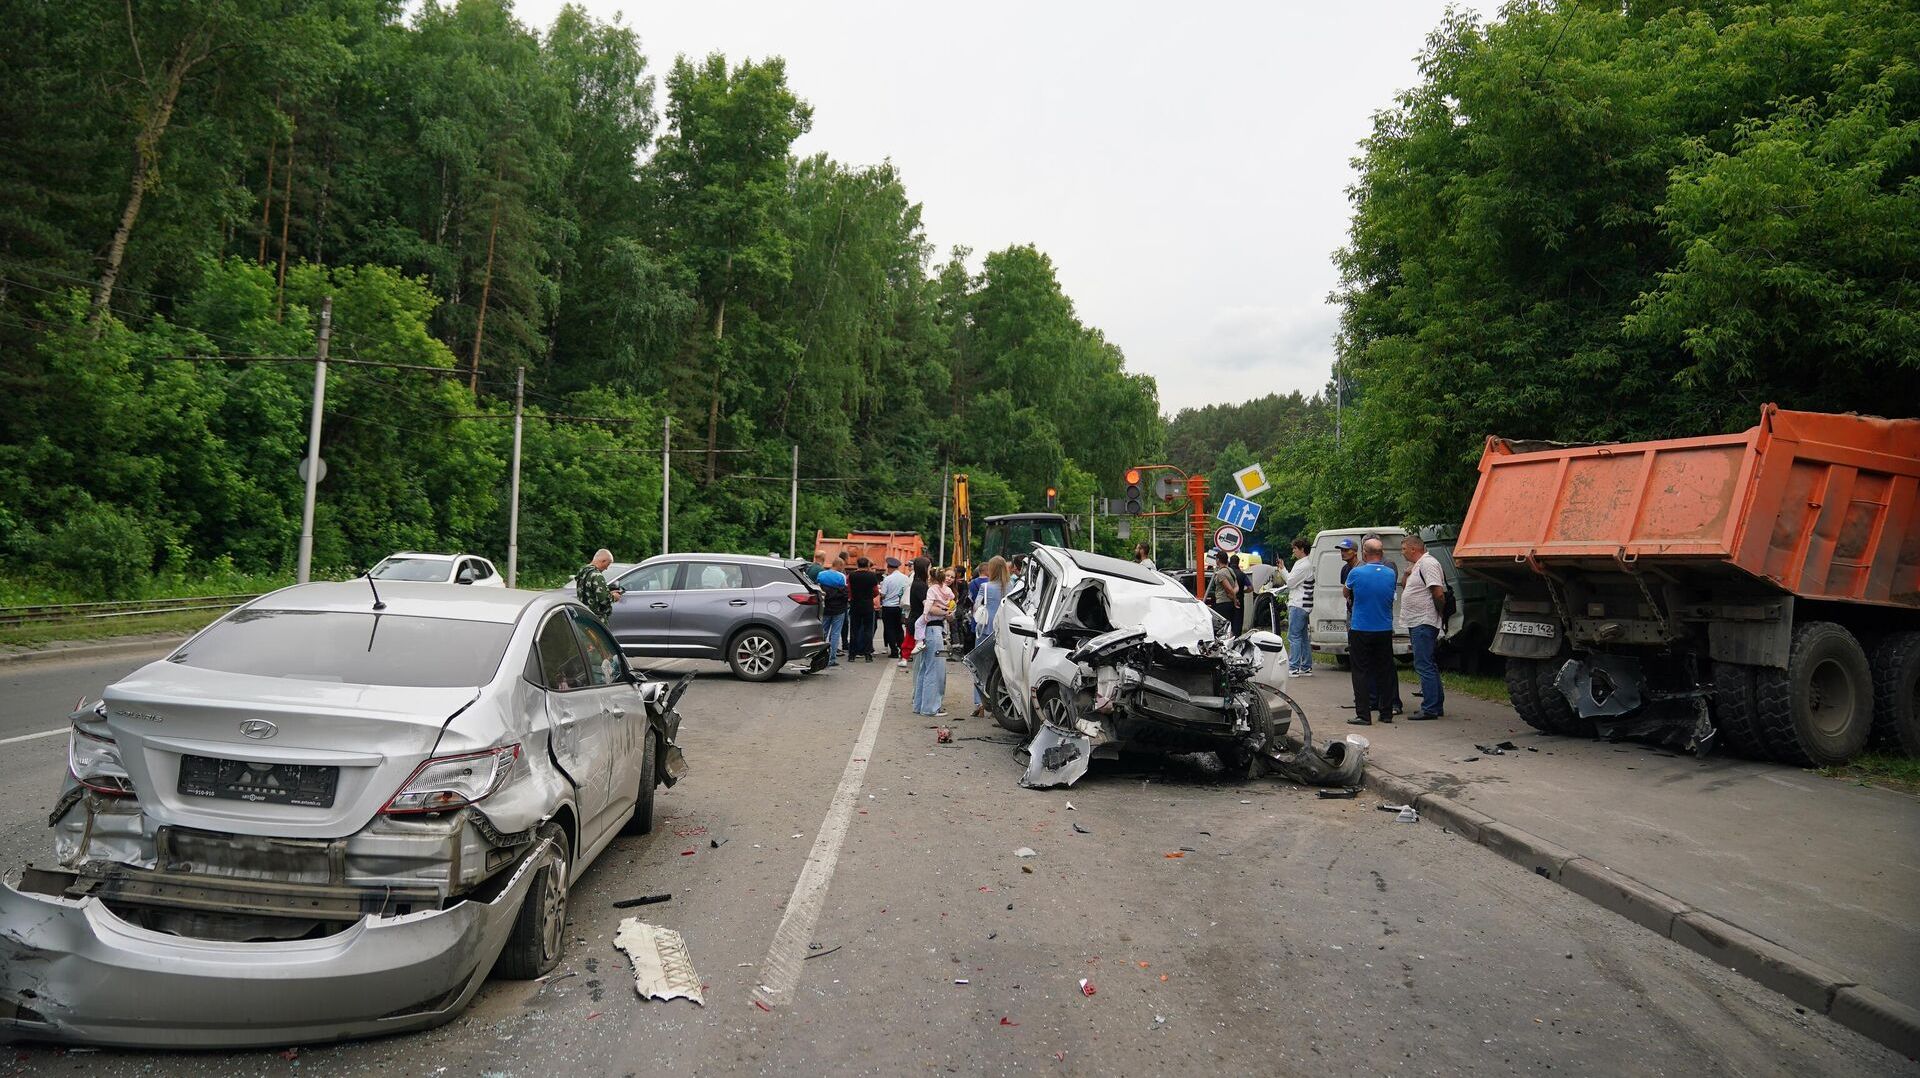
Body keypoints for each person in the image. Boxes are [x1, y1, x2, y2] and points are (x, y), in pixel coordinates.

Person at [1344, 538, 1399, 725]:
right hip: (1384, 628)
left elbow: (1346, 592)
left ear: (1364, 554)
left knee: (1360, 671)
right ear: (1381, 553)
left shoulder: (1356, 573)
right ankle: (1386, 713)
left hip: (1361, 627)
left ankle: (1363, 714)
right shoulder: (1390, 573)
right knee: (1385, 670)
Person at [1400, 535, 1448, 719]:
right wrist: (1407, 573)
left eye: (1404, 549)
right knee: (1427, 663)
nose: (1402, 552)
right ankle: (1435, 705)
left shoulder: (1428, 564)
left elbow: (1438, 592)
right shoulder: (1418, 565)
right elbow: (1407, 587)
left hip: (1424, 620)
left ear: (1414, 548)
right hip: (1417, 621)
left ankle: (1430, 708)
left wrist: (1439, 613)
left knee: (1423, 664)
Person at [912, 566, 956, 717]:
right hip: (934, 630)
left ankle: (919, 705)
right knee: (934, 669)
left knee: (925, 668)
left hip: (929, 630)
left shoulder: (932, 589)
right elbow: (931, 609)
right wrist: (946, 612)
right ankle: (929, 708)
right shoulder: (940, 591)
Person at [969, 556, 1008, 716]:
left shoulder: (985, 587)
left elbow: (976, 606)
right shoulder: (1010, 586)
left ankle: (980, 703)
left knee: (979, 667)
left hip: (985, 630)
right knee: (1001, 669)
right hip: (1003, 631)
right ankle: (998, 704)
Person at [1283, 538, 1315, 675]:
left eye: (1295, 548)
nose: (1293, 551)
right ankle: (1306, 666)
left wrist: (1282, 570)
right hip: (1305, 605)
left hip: (1298, 604)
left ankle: (1294, 667)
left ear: (1302, 549)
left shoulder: (1303, 565)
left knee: (1294, 637)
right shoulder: (1305, 564)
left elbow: (1290, 582)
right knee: (1303, 638)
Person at [847, 556, 884, 663]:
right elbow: (875, 591)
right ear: (867, 564)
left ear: (857, 564)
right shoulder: (871, 576)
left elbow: (849, 590)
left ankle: (852, 654)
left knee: (854, 630)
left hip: (855, 605)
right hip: (868, 605)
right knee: (868, 630)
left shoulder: (852, 575)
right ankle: (867, 654)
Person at [572, 549, 624, 622]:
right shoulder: (597, 575)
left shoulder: (583, 571)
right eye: (607, 564)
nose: (606, 568)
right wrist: (614, 597)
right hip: (596, 618)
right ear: (603, 561)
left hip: (584, 613)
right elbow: (604, 600)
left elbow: (590, 592)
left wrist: (608, 593)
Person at [817, 558, 850, 667]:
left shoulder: (821, 574)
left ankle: (819, 656)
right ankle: (831, 658)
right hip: (839, 609)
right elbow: (844, 592)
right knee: (835, 633)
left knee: (823, 632)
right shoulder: (841, 577)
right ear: (839, 565)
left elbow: (818, 590)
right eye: (842, 566)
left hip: (826, 608)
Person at [900, 557, 930, 669]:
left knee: (911, 638)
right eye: (929, 567)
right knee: (913, 639)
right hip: (918, 617)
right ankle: (905, 658)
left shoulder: (916, 581)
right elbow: (926, 603)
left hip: (914, 616)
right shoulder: (921, 585)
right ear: (924, 568)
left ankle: (905, 658)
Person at [880, 557, 909, 659]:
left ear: (889, 567)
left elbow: (883, 594)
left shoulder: (887, 579)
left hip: (888, 607)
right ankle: (902, 649)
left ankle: (894, 651)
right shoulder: (905, 578)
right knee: (899, 628)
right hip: (900, 607)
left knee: (889, 629)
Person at [1205, 551, 1239, 629]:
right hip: (1230, 603)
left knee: (1223, 627)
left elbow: (1228, 588)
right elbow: (1236, 587)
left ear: (1218, 560)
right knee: (1230, 626)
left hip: (1222, 603)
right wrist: (1233, 597)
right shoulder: (1230, 570)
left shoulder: (1220, 573)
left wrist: (1235, 600)